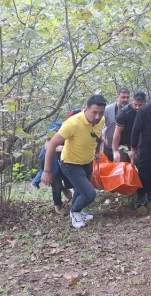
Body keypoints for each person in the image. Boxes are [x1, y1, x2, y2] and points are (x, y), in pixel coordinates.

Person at [41, 95, 106, 228]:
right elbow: (51, 145)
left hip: (87, 162)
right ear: (86, 109)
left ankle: (78, 211)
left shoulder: (101, 120)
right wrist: (47, 171)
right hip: (71, 164)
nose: (98, 116)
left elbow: (97, 137)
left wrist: (96, 152)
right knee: (89, 194)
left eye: (101, 112)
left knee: (79, 190)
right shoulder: (73, 123)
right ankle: (75, 212)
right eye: (94, 112)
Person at [32, 122, 74, 214]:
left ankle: (65, 189)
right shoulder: (57, 127)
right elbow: (48, 145)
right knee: (56, 184)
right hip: (51, 160)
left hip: (65, 160)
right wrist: (66, 148)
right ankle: (58, 205)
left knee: (69, 181)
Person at [111, 91, 147, 162]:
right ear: (131, 101)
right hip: (124, 145)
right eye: (135, 104)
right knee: (121, 165)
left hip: (140, 145)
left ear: (145, 102)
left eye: (140, 105)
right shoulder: (124, 113)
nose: (137, 107)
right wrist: (115, 151)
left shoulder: (148, 111)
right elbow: (117, 133)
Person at [102, 88, 130, 160]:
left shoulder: (131, 111)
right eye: (123, 97)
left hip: (125, 146)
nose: (125, 100)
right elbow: (99, 125)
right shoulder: (107, 109)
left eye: (127, 97)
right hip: (108, 145)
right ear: (117, 97)